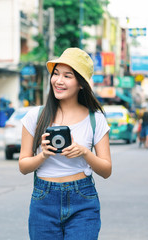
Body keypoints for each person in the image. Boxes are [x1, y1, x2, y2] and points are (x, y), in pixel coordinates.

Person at [19, 48, 111, 239]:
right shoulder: (35, 117)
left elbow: (106, 170)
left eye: (67, 76)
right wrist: (43, 154)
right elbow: (23, 166)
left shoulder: (96, 119)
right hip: (44, 200)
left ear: (81, 84)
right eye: (56, 74)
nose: (58, 81)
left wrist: (85, 152)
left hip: (83, 200)